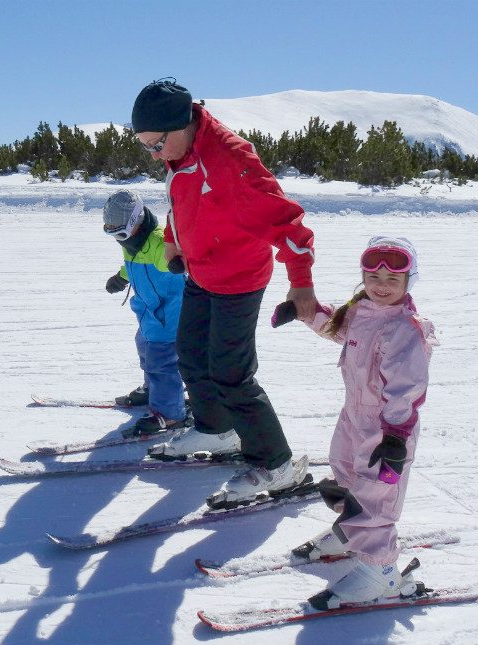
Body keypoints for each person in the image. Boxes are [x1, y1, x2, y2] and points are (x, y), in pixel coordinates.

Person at [130, 78, 318, 509]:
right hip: (201, 272)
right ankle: (216, 429)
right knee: (191, 354)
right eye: (147, 148)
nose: (155, 155)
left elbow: (288, 224)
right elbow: (179, 202)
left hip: (239, 278)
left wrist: (301, 282)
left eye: (157, 145)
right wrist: (174, 241)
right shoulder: (179, 150)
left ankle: (277, 464)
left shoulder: (231, 160)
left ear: (183, 124)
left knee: (231, 373)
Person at [291, 236, 438, 609]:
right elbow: (338, 327)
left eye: (393, 280)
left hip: (389, 427)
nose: (382, 286)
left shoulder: (407, 327)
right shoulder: (362, 311)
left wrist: (396, 437)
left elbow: (406, 387)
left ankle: (381, 571)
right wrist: (306, 312)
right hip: (353, 415)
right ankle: (349, 533)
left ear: (409, 282)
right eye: (374, 277)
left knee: (377, 493)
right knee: (344, 474)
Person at [102, 189, 189, 436]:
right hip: (150, 313)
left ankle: (171, 414)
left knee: (162, 361)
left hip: (168, 315)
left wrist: (178, 262)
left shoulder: (158, 242)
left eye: (118, 229)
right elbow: (133, 263)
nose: (116, 236)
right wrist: (120, 277)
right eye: (110, 229)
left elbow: (175, 257)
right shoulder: (132, 242)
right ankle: (153, 390)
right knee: (144, 347)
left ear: (134, 221)